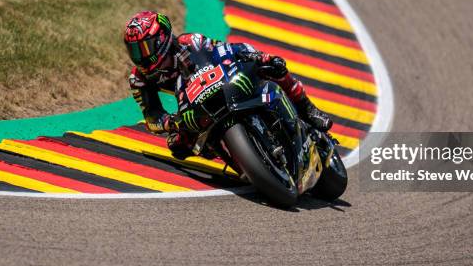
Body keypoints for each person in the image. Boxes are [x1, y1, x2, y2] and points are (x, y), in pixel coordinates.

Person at [124, 10, 332, 157]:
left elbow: (226, 50)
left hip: (223, 85)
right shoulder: (139, 78)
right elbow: (151, 116)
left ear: (162, 40)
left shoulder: (191, 42)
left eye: (144, 48)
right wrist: (169, 122)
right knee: (178, 145)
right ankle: (240, 156)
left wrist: (260, 58)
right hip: (193, 107)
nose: (140, 56)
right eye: (134, 50)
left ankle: (307, 108)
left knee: (272, 67)